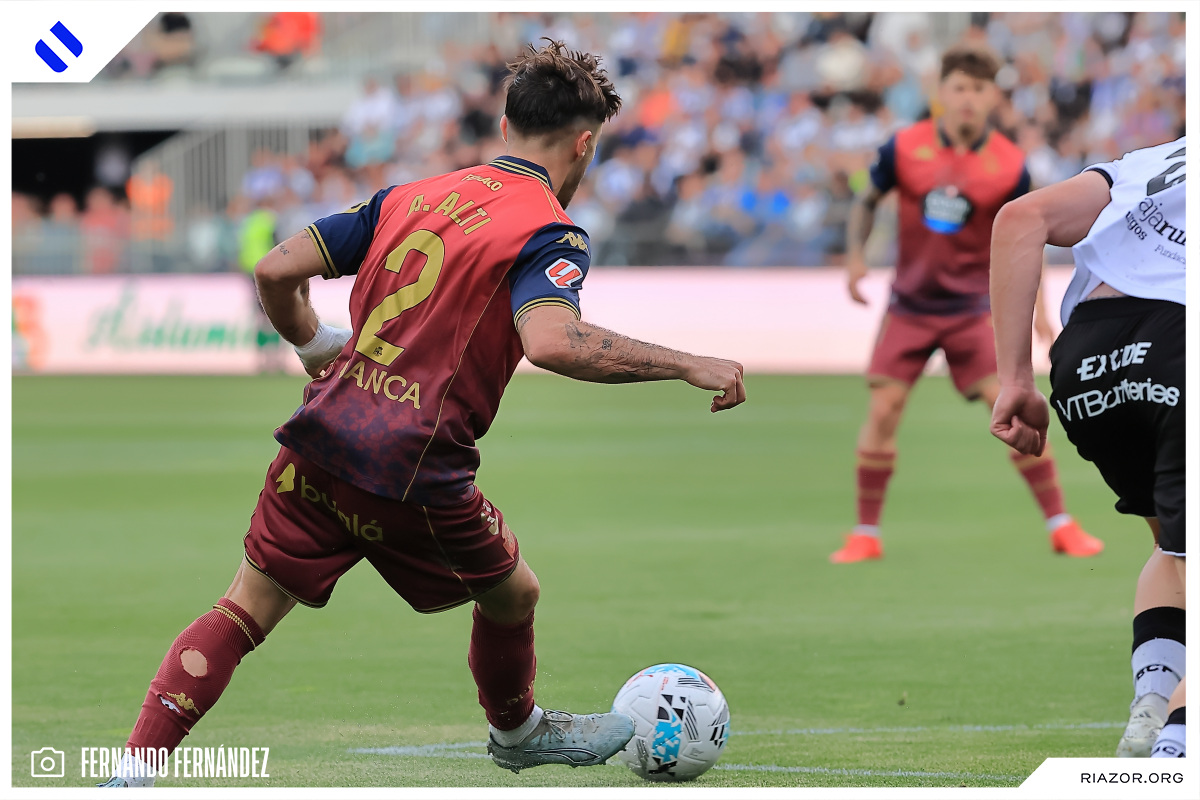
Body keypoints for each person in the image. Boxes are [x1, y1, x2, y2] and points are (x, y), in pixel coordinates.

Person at [101, 40, 746, 787]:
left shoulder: (410, 196)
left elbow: (275, 270)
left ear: (504, 128)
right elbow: (553, 341)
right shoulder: (549, 229)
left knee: (245, 607)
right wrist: (687, 363)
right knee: (513, 592)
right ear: (584, 145)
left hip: (321, 433)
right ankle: (517, 731)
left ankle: (131, 775)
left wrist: (314, 344)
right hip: (411, 458)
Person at [830, 43, 1102, 563]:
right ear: (942, 92)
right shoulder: (903, 147)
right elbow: (867, 201)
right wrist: (856, 258)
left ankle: (1062, 525)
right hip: (909, 307)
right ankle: (865, 534)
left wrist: (1040, 310)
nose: (968, 98)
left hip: (973, 310)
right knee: (883, 410)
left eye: (979, 89)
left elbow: (1029, 237)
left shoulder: (1010, 165)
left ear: (993, 97)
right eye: (959, 87)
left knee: (1015, 409)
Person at [989, 136, 1185, 758]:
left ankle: (1153, 704)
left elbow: (1020, 218)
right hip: (1180, 341)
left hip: (1086, 363)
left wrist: (1016, 382)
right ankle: (1176, 749)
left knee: (1175, 549)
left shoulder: (1151, 161)